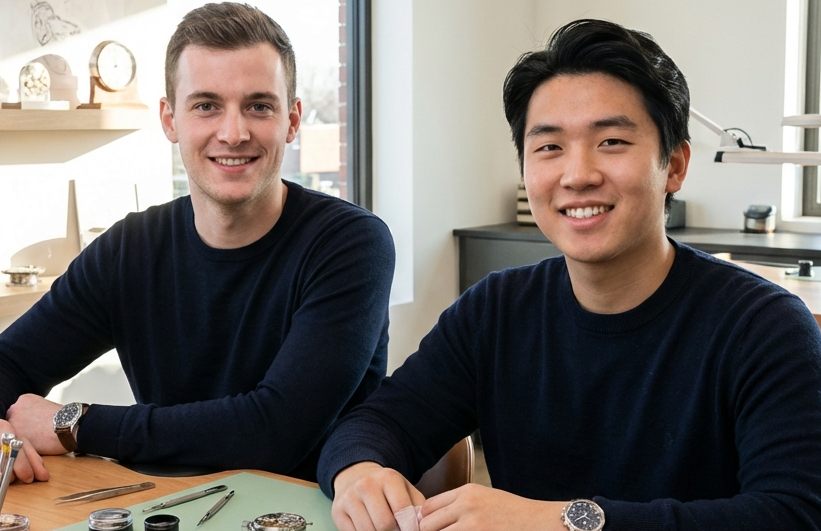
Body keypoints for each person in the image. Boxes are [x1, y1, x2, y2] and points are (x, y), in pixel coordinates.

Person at [317, 18, 821, 531]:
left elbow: (793, 513)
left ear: (673, 165)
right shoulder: (496, 310)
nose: (577, 175)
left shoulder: (764, 326)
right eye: (549, 147)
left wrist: (564, 522)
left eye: (611, 142)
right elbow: (377, 422)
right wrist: (358, 471)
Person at [0, 2, 394, 484]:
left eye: (259, 106)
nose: (233, 133)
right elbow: (11, 363)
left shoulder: (350, 245)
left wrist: (73, 423)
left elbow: (273, 431)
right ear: (170, 120)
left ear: (292, 120)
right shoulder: (130, 249)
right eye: (206, 105)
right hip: (162, 508)